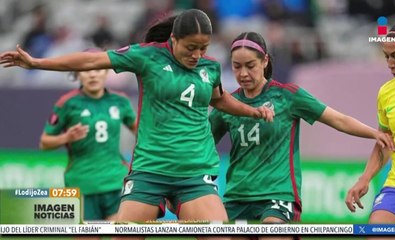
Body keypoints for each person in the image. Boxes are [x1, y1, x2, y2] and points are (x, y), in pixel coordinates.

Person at [0, 9, 274, 240]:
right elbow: (92, 59)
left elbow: (220, 100)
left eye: (203, 48)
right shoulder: (147, 56)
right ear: (174, 39)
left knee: (219, 235)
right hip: (149, 172)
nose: (197, 55)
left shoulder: (210, 68)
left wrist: (252, 112)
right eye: (191, 48)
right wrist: (37, 63)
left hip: (195, 174)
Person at [209, 32, 395, 240]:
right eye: (237, 66)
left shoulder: (288, 96)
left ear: (265, 61)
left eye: (250, 65)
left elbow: (338, 119)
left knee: (273, 234)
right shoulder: (227, 105)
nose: (243, 73)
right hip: (236, 197)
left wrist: (373, 133)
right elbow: (202, 143)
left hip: (277, 196)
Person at [39, 48, 137, 240]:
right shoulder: (67, 104)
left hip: (115, 181)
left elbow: (141, 135)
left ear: (106, 71)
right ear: (77, 73)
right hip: (81, 184)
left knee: (122, 237)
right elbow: (44, 143)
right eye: (86, 70)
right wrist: (65, 138)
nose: (92, 74)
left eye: (98, 69)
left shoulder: (120, 101)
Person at [345, 16, 395, 240]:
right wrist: (365, 178)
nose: (390, 64)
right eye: (387, 57)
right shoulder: (387, 93)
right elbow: (386, 141)